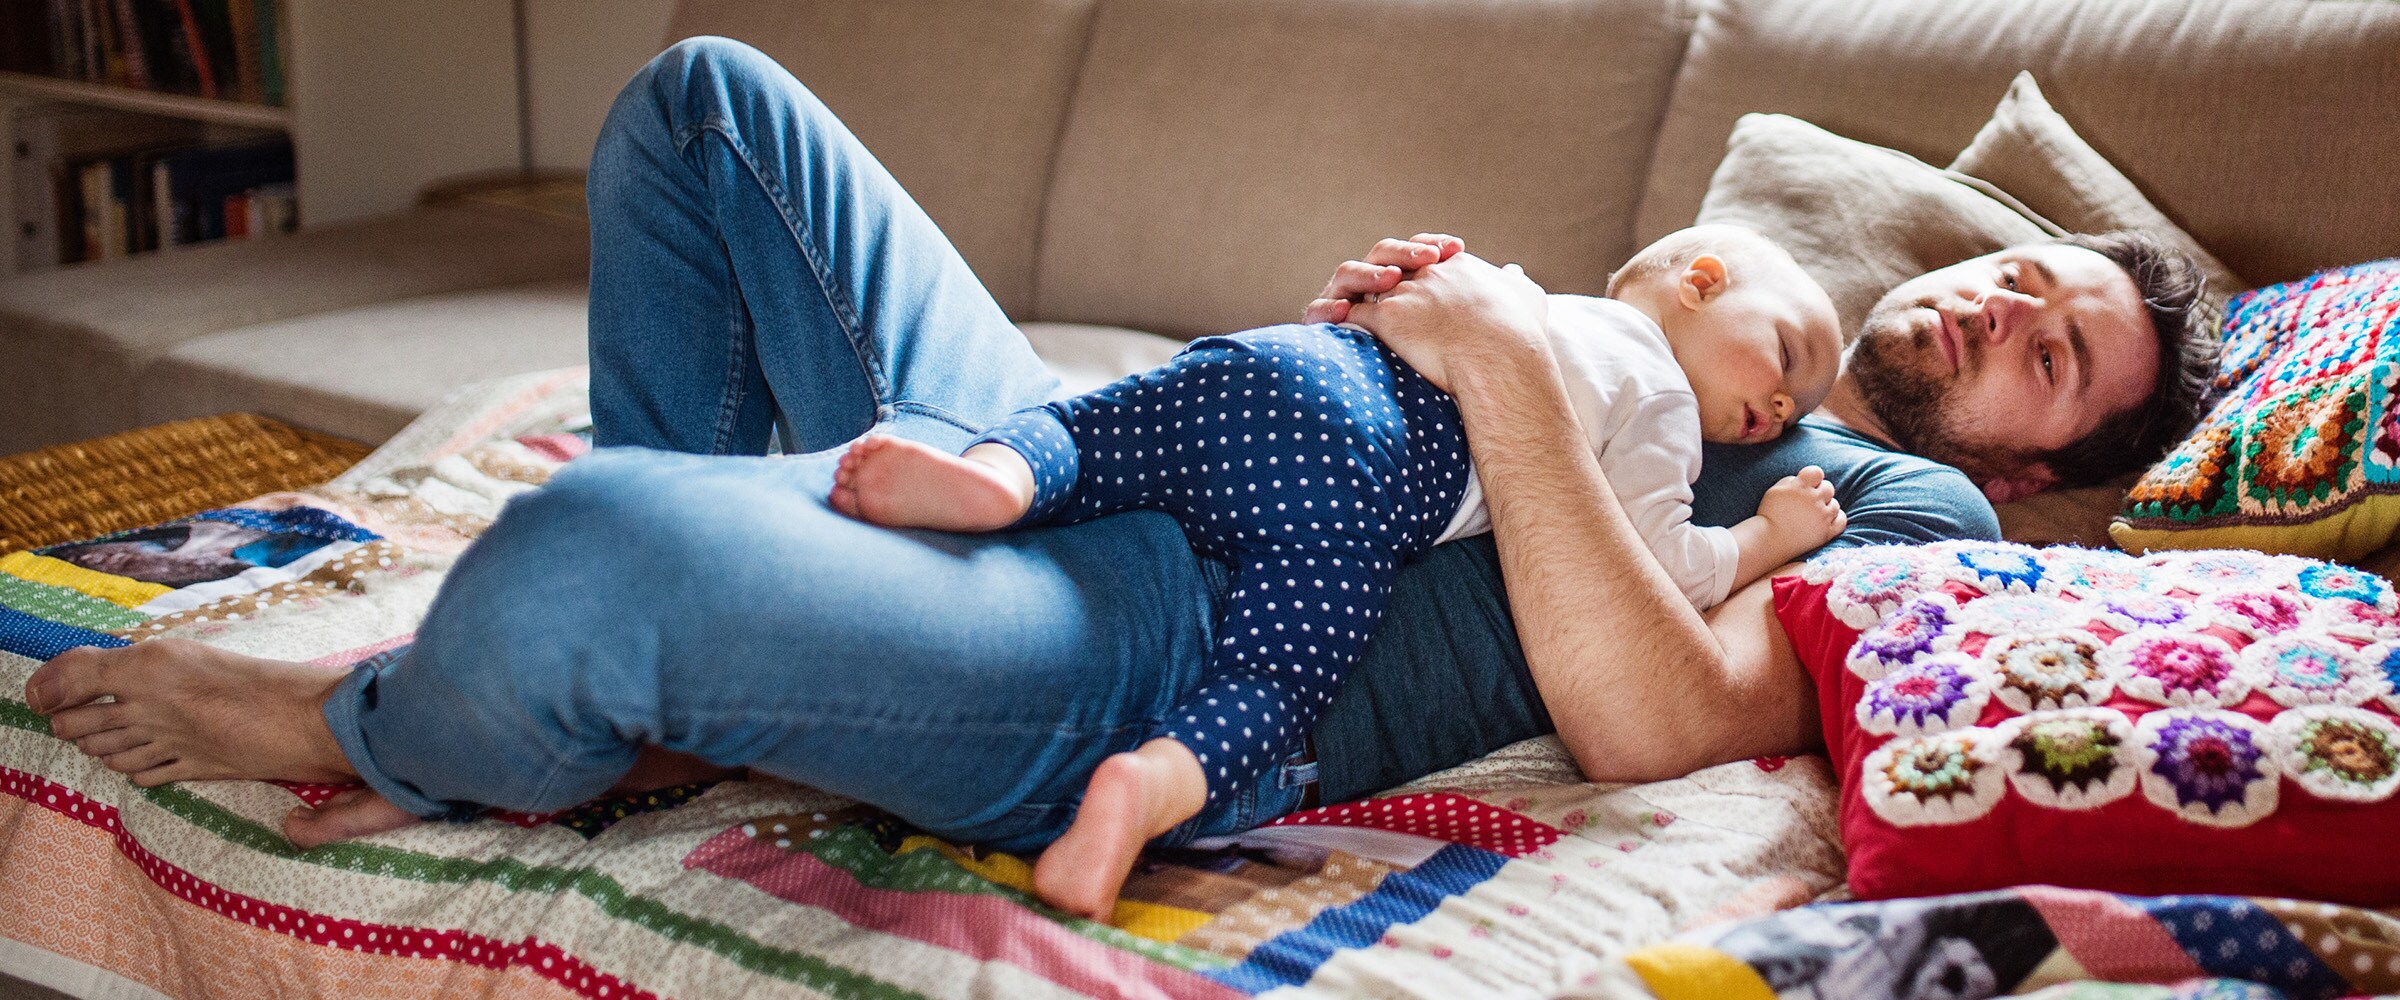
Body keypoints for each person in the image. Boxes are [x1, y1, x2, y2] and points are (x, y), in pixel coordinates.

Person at [20, 37, 2214, 871]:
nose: (1995, 314)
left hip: (1144, 635)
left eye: (2053, 357)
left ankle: (426, 713)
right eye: (2025, 286)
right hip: (1089, 437)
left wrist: (1499, 374)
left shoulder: (1902, 515)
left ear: (2042, 472)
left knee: (582, 549)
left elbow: (1671, 720)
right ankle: (694, 662)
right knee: (704, 106)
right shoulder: (1704, 303)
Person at [834, 223, 1845, 917]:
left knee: (1097, 427)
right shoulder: (1661, 399)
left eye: (1800, 407)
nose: (1784, 408)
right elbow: (1664, 563)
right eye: (1786, 356)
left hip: (1286, 370)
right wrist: (1763, 538)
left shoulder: (1514, 290)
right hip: (1361, 485)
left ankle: (999, 481)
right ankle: (1148, 787)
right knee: (1276, 675)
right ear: (1700, 282)